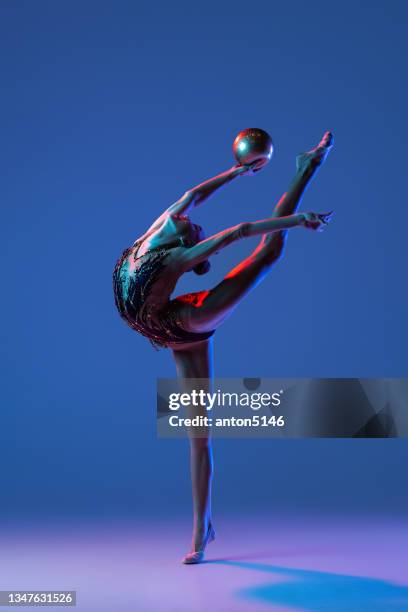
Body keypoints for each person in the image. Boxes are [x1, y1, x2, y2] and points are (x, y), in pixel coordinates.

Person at [113, 131, 334, 563]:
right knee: (198, 435)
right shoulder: (167, 236)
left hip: (179, 319)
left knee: (267, 254)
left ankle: (200, 531)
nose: (197, 223)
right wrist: (238, 174)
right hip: (170, 325)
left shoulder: (167, 247)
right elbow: (210, 206)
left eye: (197, 232)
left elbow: (236, 229)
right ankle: (205, 529)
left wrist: (287, 214)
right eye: (196, 231)